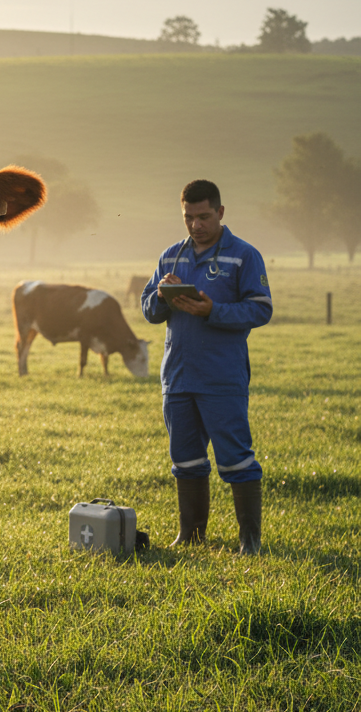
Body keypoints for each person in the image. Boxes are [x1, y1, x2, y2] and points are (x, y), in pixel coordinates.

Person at [141, 180, 272, 555]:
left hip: (222, 377)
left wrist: (212, 310)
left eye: (203, 216)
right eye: (188, 217)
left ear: (220, 212)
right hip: (178, 377)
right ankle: (192, 535)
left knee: (236, 458)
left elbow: (261, 308)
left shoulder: (244, 256)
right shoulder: (170, 257)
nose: (195, 224)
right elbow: (149, 310)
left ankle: (250, 541)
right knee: (185, 459)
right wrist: (164, 294)